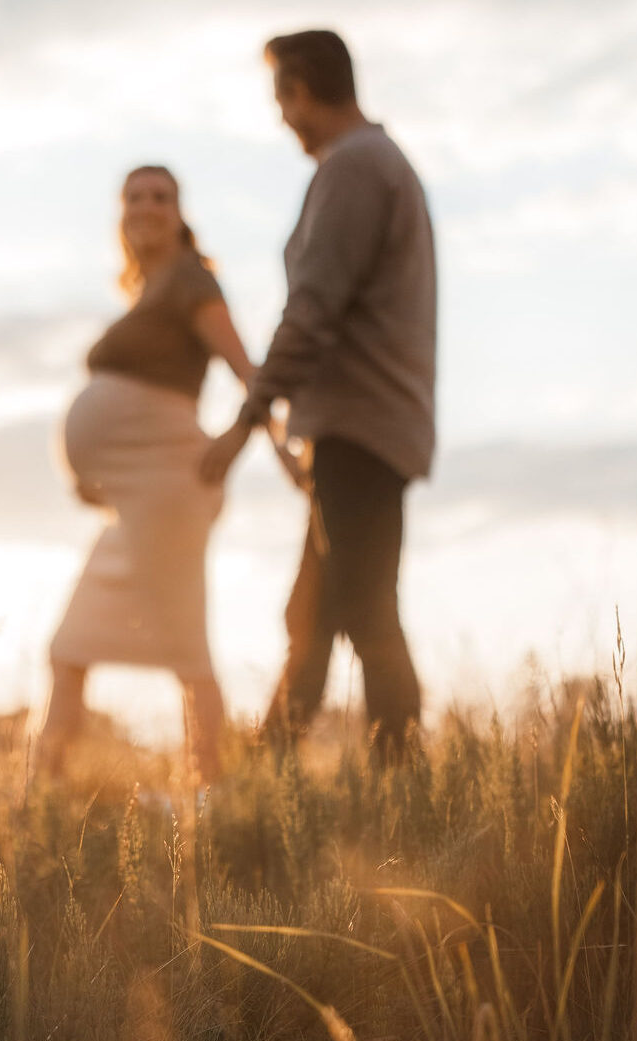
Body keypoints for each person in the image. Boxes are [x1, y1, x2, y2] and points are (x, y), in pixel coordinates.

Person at [200, 29, 437, 757]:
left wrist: (247, 417)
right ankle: (269, 782)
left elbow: (312, 309)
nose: (280, 117)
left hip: (360, 431)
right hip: (360, 427)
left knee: (363, 611)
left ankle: (399, 795)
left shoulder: (355, 168)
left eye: (281, 97)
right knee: (314, 613)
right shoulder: (375, 164)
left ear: (302, 87)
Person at [36, 165, 298, 783]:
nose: (146, 206)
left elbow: (247, 369)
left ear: (180, 215)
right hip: (133, 495)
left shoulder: (189, 279)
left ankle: (211, 802)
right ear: (120, 212)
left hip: (168, 490)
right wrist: (94, 468)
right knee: (68, 648)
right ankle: (38, 798)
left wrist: (268, 443)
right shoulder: (148, 289)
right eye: (134, 196)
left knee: (187, 650)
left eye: (161, 197)